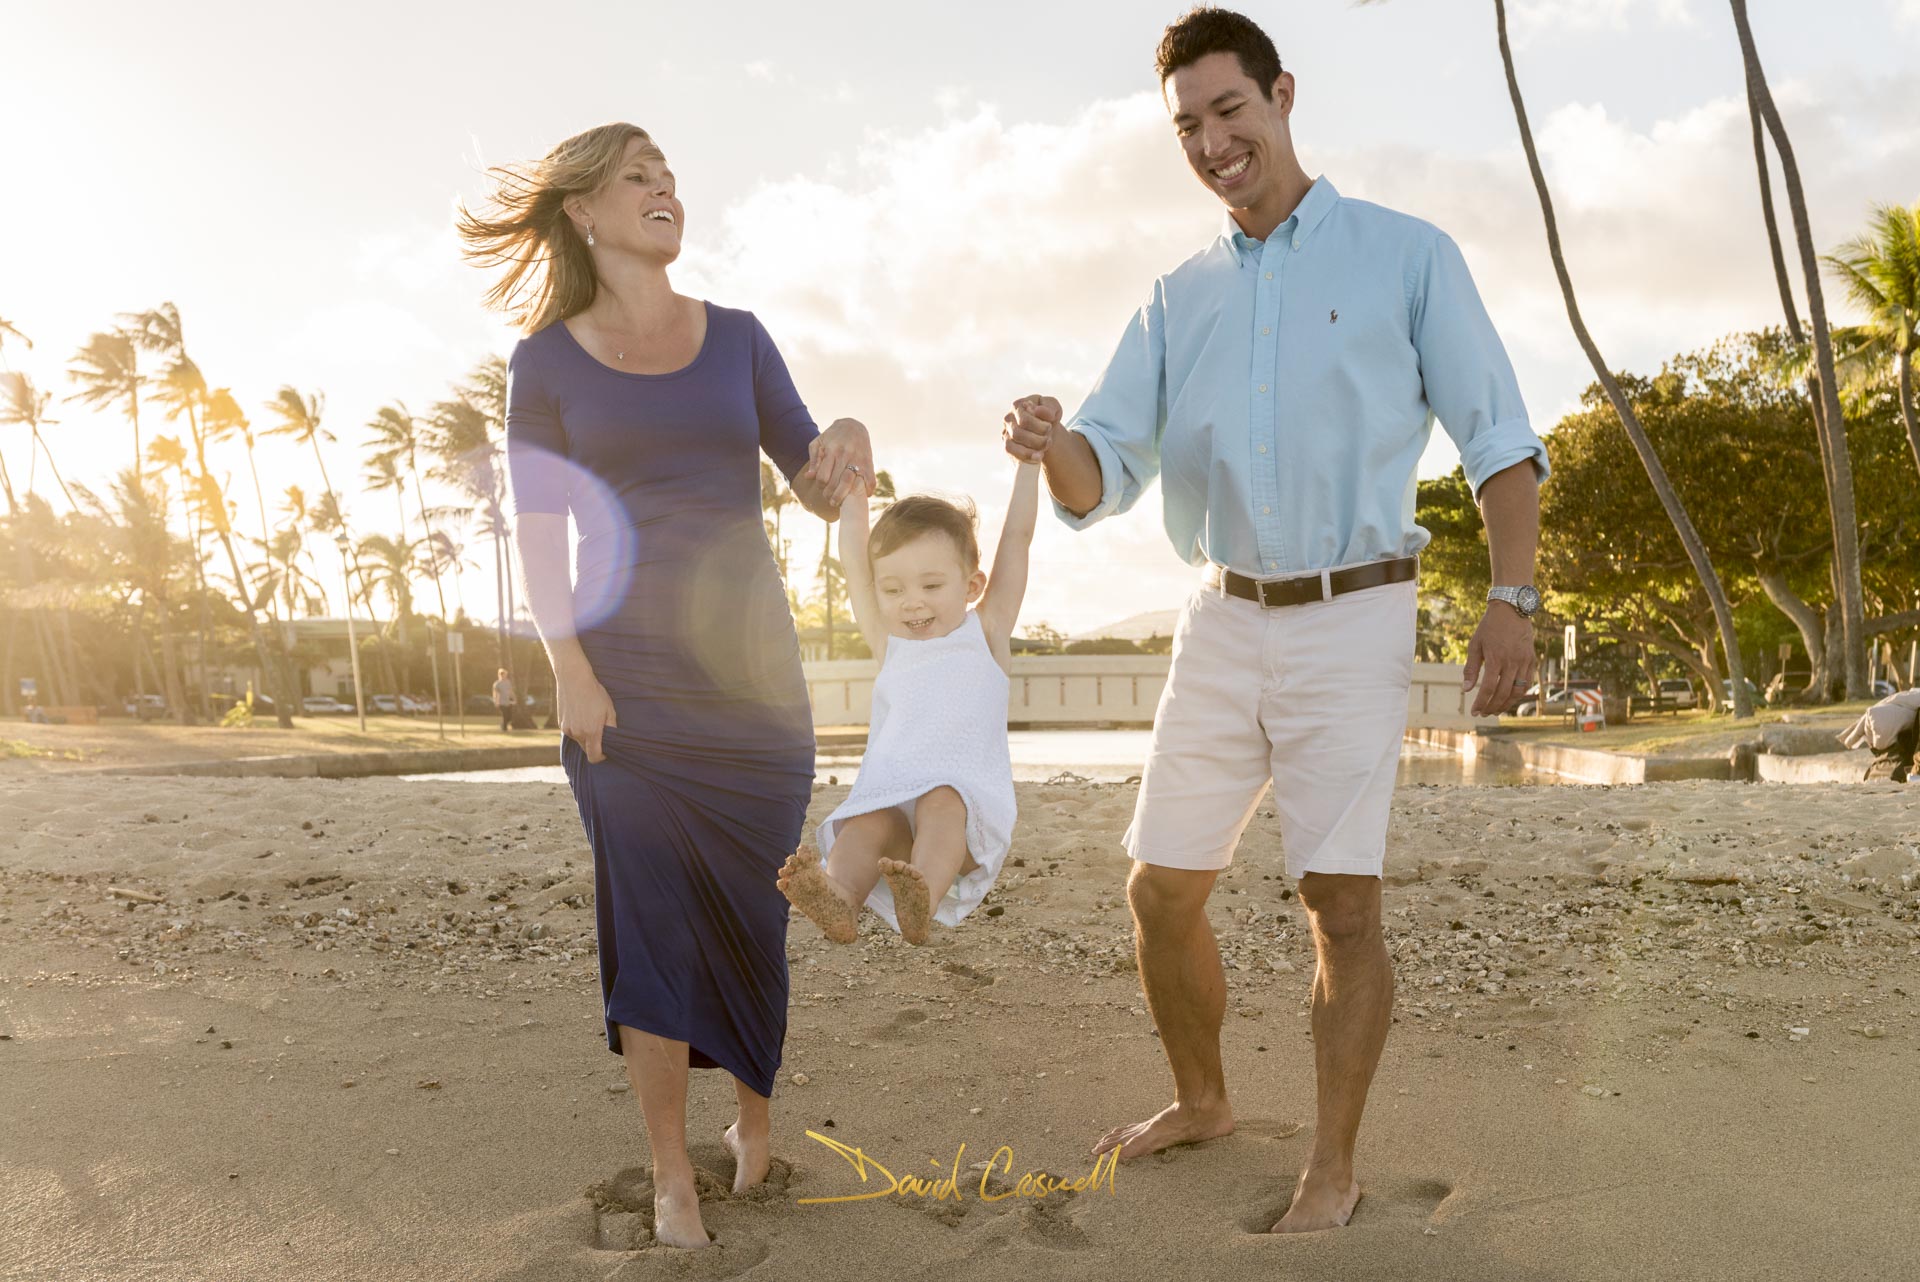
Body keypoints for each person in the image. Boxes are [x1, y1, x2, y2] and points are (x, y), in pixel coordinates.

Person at [1000, 8, 1549, 1233]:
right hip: (1220, 619)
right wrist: (1055, 447)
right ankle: (1203, 1100)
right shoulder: (1173, 296)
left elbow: (1500, 440)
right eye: (1187, 124)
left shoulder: (1407, 255)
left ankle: (1334, 1165)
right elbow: (1104, 472)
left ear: (1281, 95)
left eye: (1228, 110)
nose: (1210, 141)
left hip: (1355, 617)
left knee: (1340, 904)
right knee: (1157, 889)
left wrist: (1513, 598)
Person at [457, 121, 874, 1250]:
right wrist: (568, 670)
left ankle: (750, 1120)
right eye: (637, 176)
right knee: (645, 915)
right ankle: (667, 1173)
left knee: (748, 915)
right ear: (583, 212)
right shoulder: (543, 364)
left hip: (752, 689)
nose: (664, 188)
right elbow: (539, 534)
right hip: (623, 690)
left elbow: (814, 487)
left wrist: (844, 435)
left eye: (670, 176)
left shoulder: (737, 340)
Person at [776, 461, 1038, 945]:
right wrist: (854, 498)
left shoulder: (987, 631)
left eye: (931, 586)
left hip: (963, 822)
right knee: (868, 821)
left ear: (973, 586)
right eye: (893, 590)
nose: (912, 602)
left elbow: (1018, 538)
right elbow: (855, 562)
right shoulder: (889, 641)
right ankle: (840, 897)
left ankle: (924, 900)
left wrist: (1030, 463)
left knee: (942, 798)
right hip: (895, 809)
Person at [491, 667, 516, 732]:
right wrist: (495, 701)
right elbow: (495, 693)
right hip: (501, 702)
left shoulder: (508, 682)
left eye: (504, 674)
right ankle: (504, 729)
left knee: (509, 717)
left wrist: (514, 698)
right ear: (499, 675)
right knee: (505, 715)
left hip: (507, 702)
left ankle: (502, 725)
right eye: (502, 674)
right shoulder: (497, 684)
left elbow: (510, 691)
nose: (503, 675)